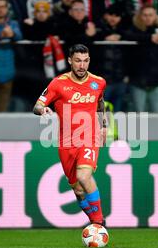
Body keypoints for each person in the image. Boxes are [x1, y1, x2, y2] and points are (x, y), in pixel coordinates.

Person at [32, 44, 107, 226]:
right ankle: (94, 220)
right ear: (69, 61)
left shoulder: (99, 82)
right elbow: (37, 105)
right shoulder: (58, 84)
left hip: (89, 138)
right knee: (78, 190)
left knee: (84, 176)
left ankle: (98, 223)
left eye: (85, 61)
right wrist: (42, 110)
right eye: (78, 61)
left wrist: (103, 125)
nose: (82, 65)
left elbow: (100, 101)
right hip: (67, 142)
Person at [125, 4, 158, 112]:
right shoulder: (134, 29)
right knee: (139, 118)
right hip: (138, 81)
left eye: (150, 15)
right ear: (140, 17)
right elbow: (127, 35)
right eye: (145, 15)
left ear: (155, 16)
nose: (148, 18)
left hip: (156, 82)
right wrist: (150, 38)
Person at [96, 3, 129, 112]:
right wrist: (104, 37)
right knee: (101, 114)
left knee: (117, 114)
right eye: (111, 14)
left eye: (116, 15)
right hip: (103, 81)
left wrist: (122, 36)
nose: (113, 18)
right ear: (106, 15)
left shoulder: (126, 31)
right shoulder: (98, 29)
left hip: (120, 79)